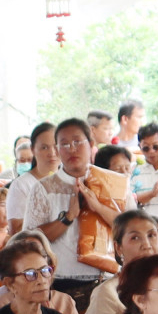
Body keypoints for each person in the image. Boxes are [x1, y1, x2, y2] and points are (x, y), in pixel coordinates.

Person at [28, 115, 132, 294]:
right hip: (60, 283)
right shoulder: (43, 188)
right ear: (58, 150)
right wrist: (68, 217)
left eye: (77, 142)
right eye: (64, 144)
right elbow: (30, 241)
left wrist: (98, 208)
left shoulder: (114, 182)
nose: (72, 149)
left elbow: (133, 229)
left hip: (108, 281)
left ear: (91, 144)